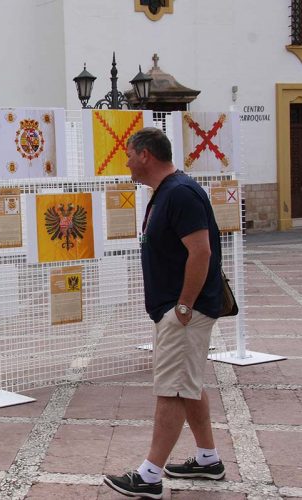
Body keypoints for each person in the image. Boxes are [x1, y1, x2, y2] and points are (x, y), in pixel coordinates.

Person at [103, 128, 225, 499]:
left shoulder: (180, 193)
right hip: (176, 309)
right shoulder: (167, 193)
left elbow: (201, 252)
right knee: (186, 384)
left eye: (128, 154)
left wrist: (184, 306)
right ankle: (208, 460)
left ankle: (149, 476)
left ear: (145, 155)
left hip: (185, 311)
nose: (124, 161)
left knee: (171, 389)